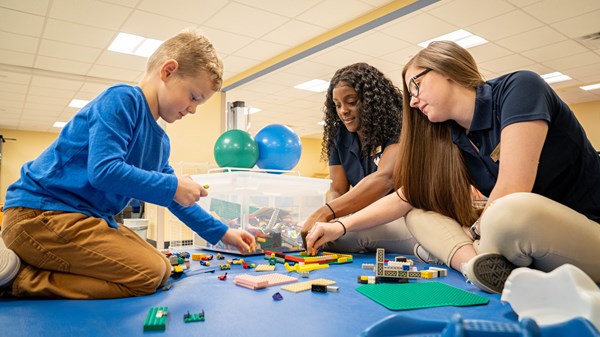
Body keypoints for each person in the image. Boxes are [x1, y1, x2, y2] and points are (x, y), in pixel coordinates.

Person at [306, 41, 600, 294]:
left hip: (584, 235)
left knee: (510, 210)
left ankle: (472, 255)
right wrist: (340, 225)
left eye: (416, 86)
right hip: (521, 246)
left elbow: (513, 187)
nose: (414, 101)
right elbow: (405, 196)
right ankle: (475, 267)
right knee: (419, 213)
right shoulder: (452, 137)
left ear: (446, 69)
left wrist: (472, 231)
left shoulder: (520, 87)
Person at [0, 29, 256, 299]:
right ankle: (19, 278)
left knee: (162, 268)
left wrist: (223, 232)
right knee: (148, 273)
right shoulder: (122, 99)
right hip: (39, 216)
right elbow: (103, 171)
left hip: (80, 219)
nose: (192, 109)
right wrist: (172, 185)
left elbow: (174, 200)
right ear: (168, 71)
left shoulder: (160, 142)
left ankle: (31, 265)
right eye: (193, 97)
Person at [301, 62, 415, 254]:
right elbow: (337, 189)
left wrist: (326, 212)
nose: (343, 111)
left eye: (351, 102)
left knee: (340, 238)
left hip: (404, 216)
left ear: (371, 102)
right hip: (364, 217)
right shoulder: (340, 136)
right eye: (337, 105)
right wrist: (331, 217)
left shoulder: (399, 126)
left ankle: (427, 249)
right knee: (325, 234)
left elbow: (385, 178)